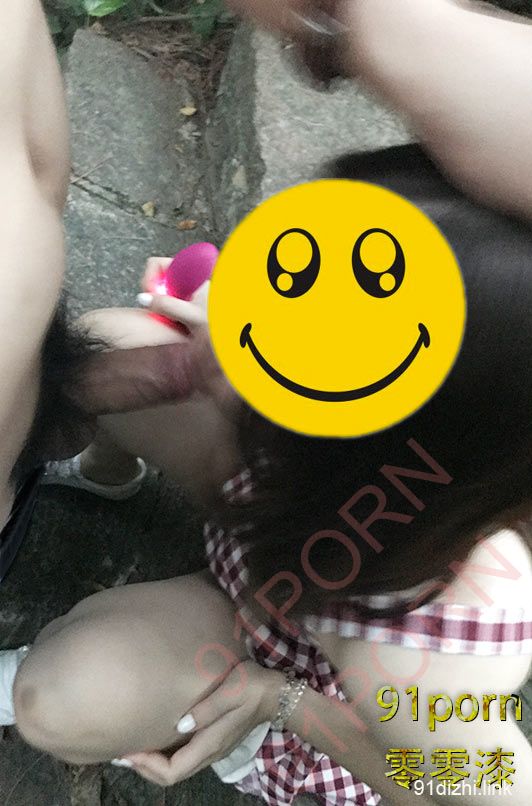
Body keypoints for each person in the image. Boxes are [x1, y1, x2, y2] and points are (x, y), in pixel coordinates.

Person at [1, 1, 532, 804]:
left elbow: (485, 786)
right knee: (115, 347)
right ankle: (110, 477)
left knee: (64, 699)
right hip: (297, 505)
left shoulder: (415, 662)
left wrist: (279, 701)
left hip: (291, 651)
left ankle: (215, 709)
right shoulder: (392, 430)